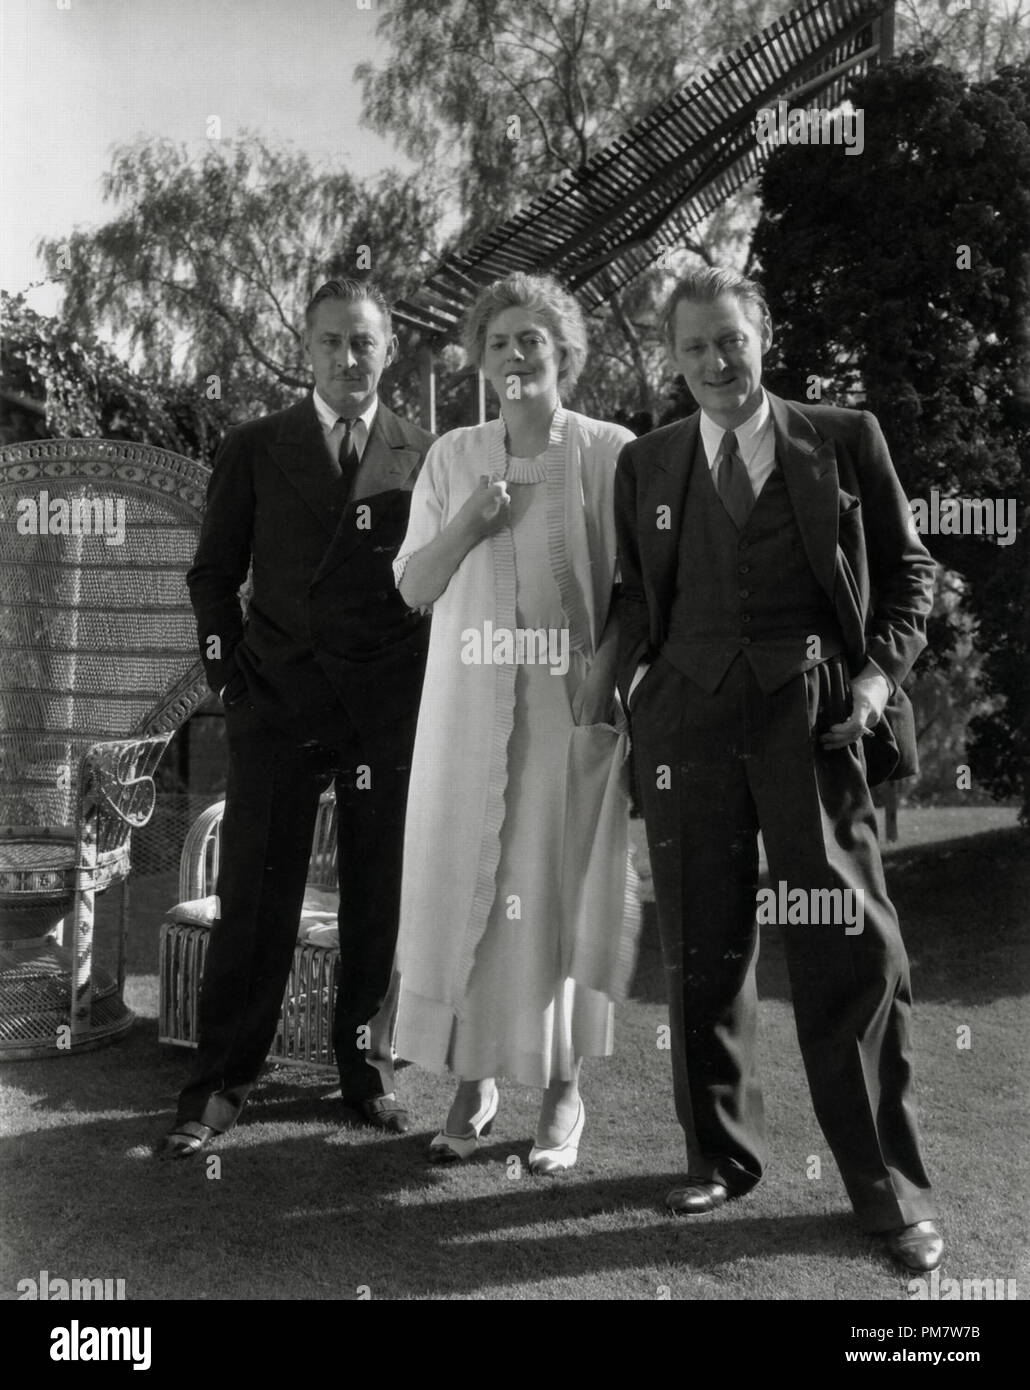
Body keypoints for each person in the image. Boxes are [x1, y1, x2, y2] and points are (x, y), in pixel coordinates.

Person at [615, 266, 942, 1271]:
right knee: (704, 943)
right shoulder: (649, 462)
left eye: (732, 340)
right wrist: (616, 686)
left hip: (813, 721)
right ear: (673, 359)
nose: (717, 362)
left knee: (850, 947)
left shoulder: (843, 438)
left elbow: (909, 572)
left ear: (763, 337)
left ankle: (886, 1192)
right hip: (686, 722)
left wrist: (878, 681)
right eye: (695, 347)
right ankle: (721, 1155)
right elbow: (636, 595)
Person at [159, 279, 435, 1158]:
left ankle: (366, 1072)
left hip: (382, 711)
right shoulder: (255, 446)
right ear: (305, 350)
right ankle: (221, 1083)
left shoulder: (427, 456)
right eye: (330, 343)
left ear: (389, 348)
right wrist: (228, 678)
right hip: (275, 704)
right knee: (255, 900)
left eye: (363, 342)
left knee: (374, 900)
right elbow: (212, 576)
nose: (347, 359)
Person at [394, 272, 637, 1172]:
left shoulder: (610, 451)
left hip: (565, 715)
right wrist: (468, 523)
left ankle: (565, 1092)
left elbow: (639, 592)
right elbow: (414, 585)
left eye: (532, 339)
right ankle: (474, 1080)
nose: (515, 355)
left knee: (559, 897)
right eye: (498, 341)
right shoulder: (453, 457)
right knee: (474, 892)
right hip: (465, 716)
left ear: (564, 352)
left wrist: (604, 683)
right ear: (479, 359)